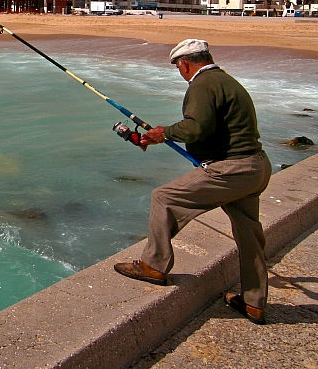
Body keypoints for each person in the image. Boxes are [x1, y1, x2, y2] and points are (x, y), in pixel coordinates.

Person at [113, 39, 273, 325]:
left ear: (184, 63)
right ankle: (254, 303)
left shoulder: (202, 84)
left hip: (231, 171)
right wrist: (158, 136)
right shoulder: (226, 81)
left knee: (164, 198)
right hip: (256, 166)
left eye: (178, 67)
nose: (180, 72)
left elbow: (196, 127)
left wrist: (164, 132)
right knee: (249, 234)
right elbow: (214, 129)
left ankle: (153, 265)